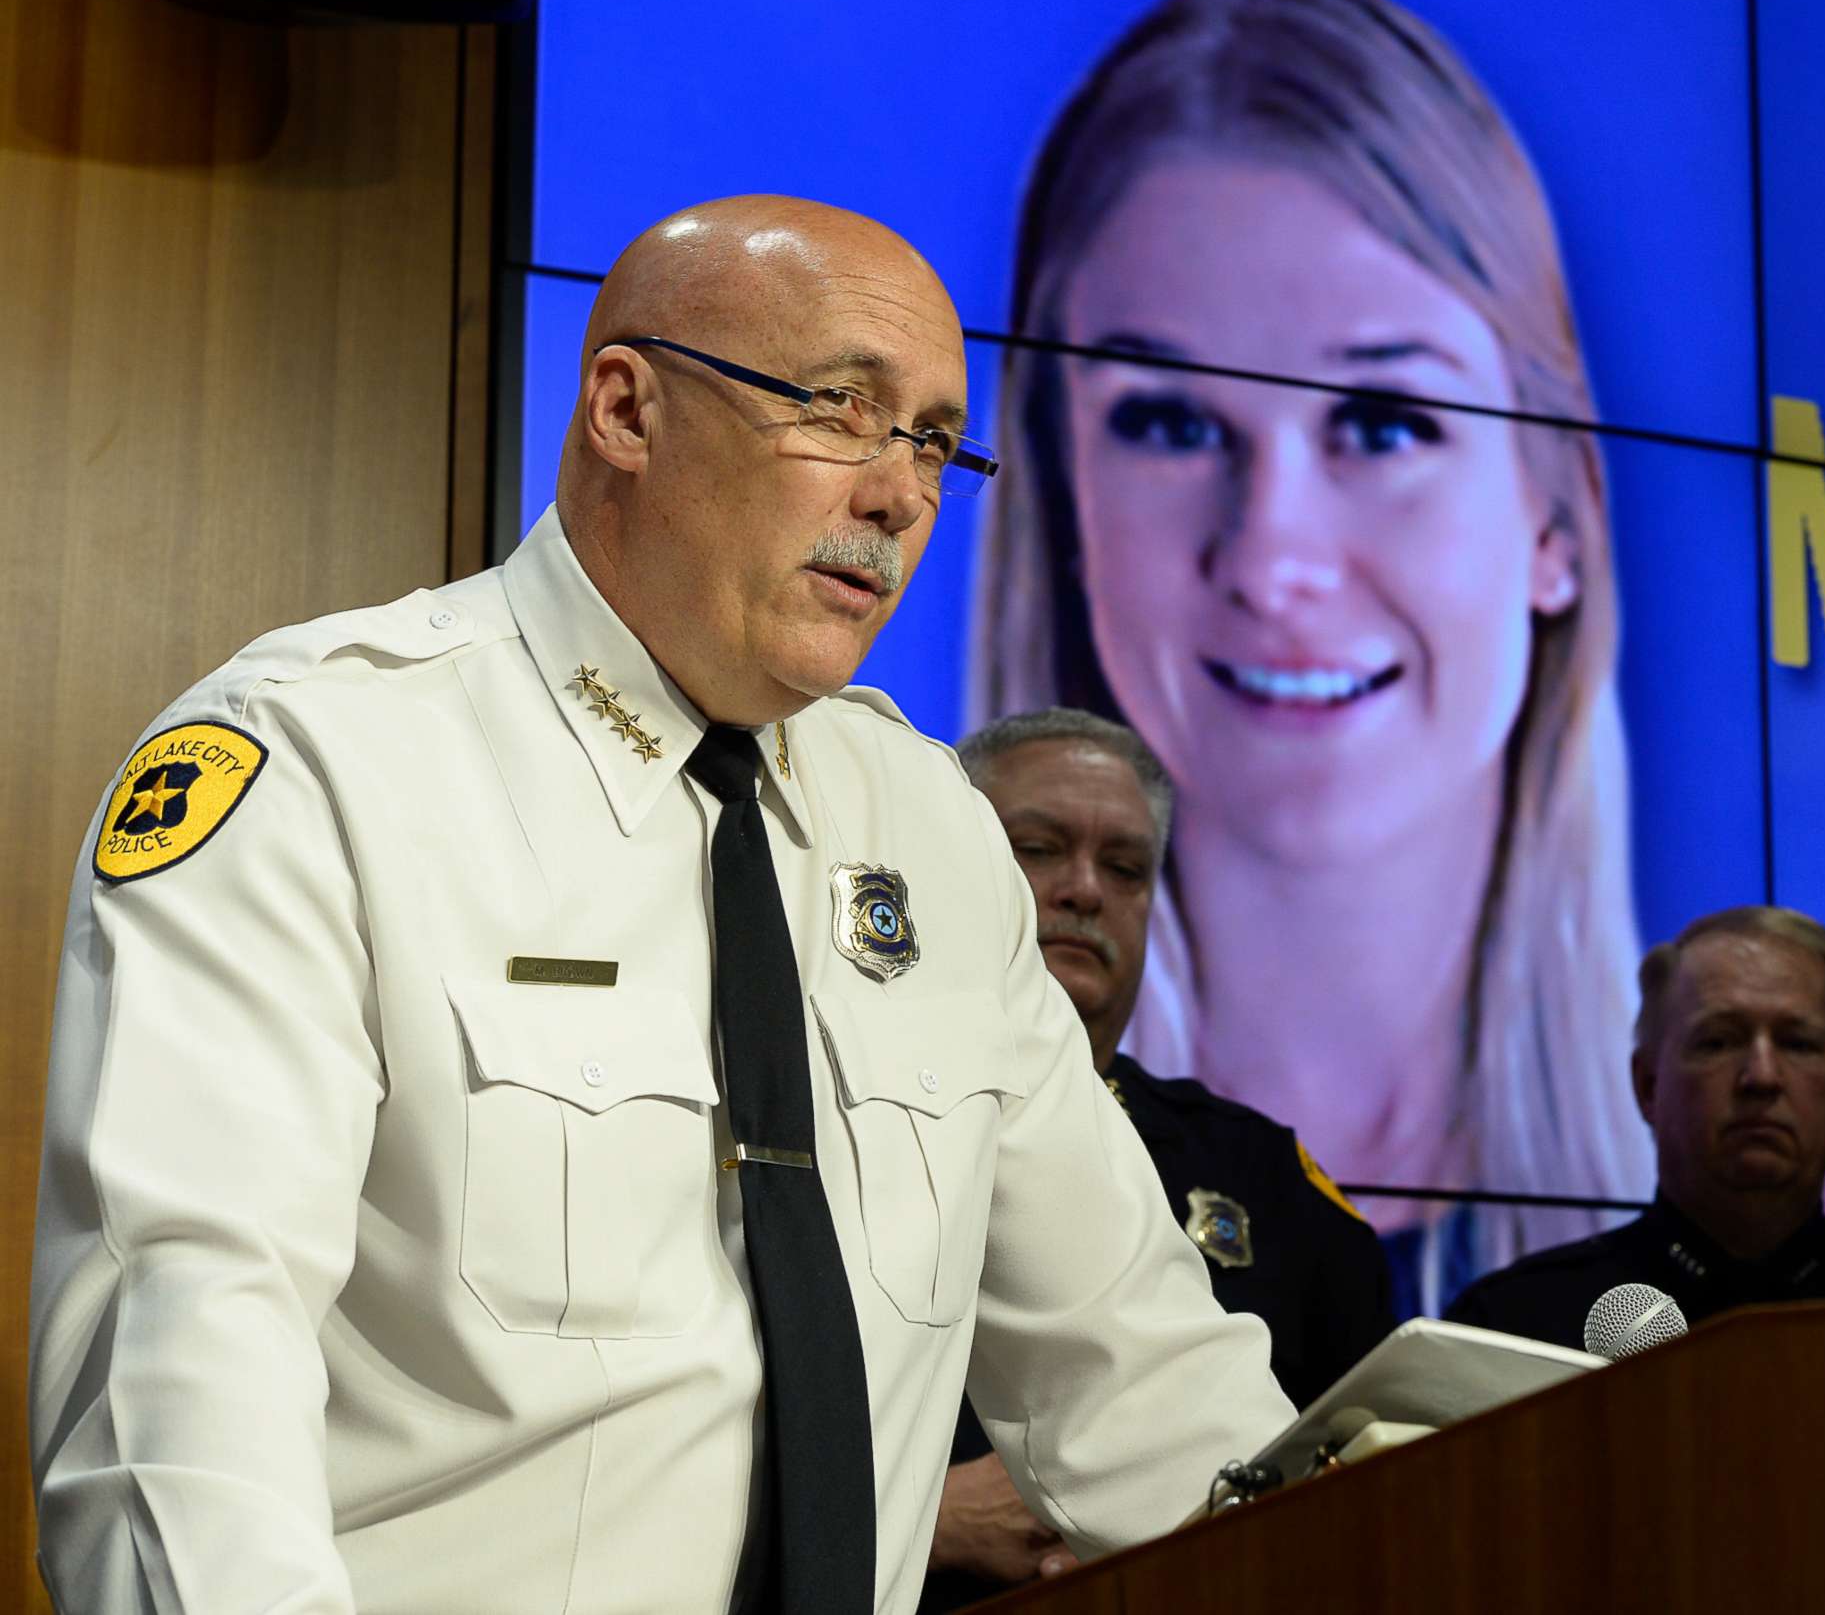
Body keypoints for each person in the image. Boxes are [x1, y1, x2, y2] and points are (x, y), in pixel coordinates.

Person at [28, 197, 1295, 1614]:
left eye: (933, 438)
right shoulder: (319, 764)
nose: (900, 495)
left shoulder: (930, 827)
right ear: (627, 410)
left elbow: (1139, 1376)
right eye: (839, 409)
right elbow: (177, 1394)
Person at [964, 0, 1825, 1309]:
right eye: (1172, 424)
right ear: (1064, 505)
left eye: (1384, 423)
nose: (1275, 558)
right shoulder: (933, 1160)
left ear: (1558, 521)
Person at [919, 708, 1395, 1609]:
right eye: (1038, 848)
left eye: (1125, 868)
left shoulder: (1267, 1177)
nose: (1083, 890)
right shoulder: (840, 1115)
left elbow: (1369, 1450)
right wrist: (928, 1516)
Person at [1446, 909, 1825, 1349]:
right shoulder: (1514, 1329)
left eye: (1797, 1044)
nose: (1761, 1077)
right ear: (1648, 1087)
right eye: (1718, 1041)